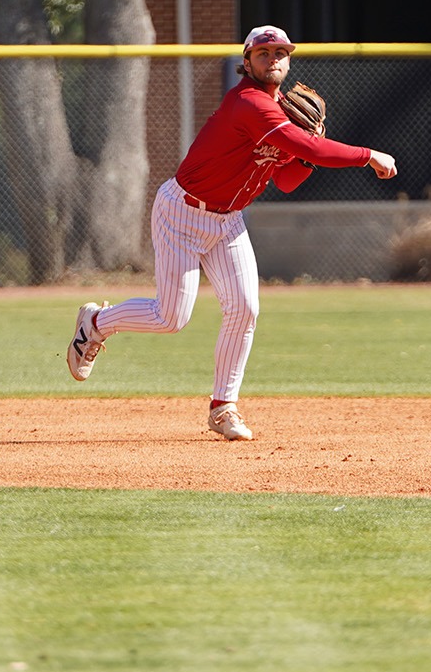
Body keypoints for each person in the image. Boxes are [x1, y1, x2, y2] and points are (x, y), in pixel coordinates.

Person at [65, 26, 399, 441]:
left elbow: (288, 181)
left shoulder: (282, 117)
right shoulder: (248, 103)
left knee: (245, 307)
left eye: (281, 52)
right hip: (182, 213)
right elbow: (308, 150)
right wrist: (367, 155)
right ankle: (96, 322)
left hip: (228, 221)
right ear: (247, 61)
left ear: (289, 60)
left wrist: (308, 147)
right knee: (171, 318)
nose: (273, 58)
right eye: (263, 52)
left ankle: (223, 408)